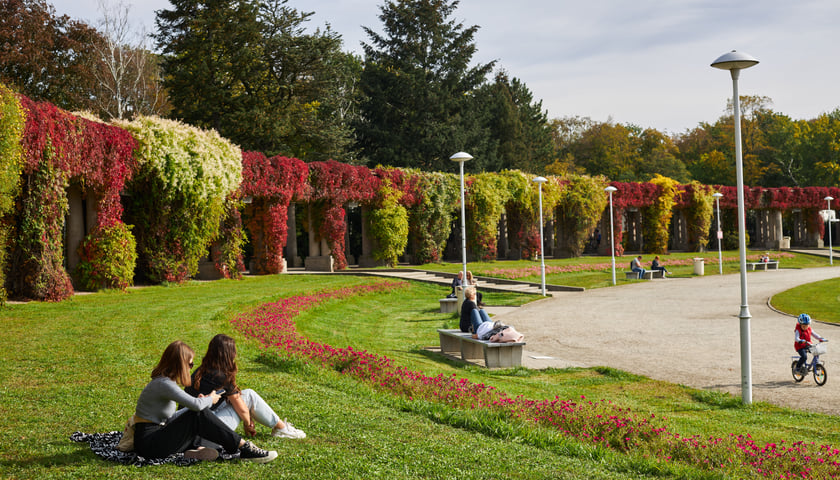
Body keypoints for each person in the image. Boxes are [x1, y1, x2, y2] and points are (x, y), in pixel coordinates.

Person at [132, 340, 277, 463]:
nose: (191, 368)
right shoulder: (164, 384)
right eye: (190, 364)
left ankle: (195, 450)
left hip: (156, 439)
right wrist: (210, 399)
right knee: (198, 413)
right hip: (150, 444)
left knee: (196, 412)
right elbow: (195, 406)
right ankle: (244, 448)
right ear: (180, 364)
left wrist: (200, 402)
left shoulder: (165, 382)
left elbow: (176, 415)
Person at [186, 334, 305, 439]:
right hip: (206, 431)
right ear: (228, 354)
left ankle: (281, 428)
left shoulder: (201, 370)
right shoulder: (221, 376)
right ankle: (282, 429)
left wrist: (246, 416)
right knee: (249, 396)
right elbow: (241, 407)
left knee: (247, 394)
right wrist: (247, 423)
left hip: (190, 426)